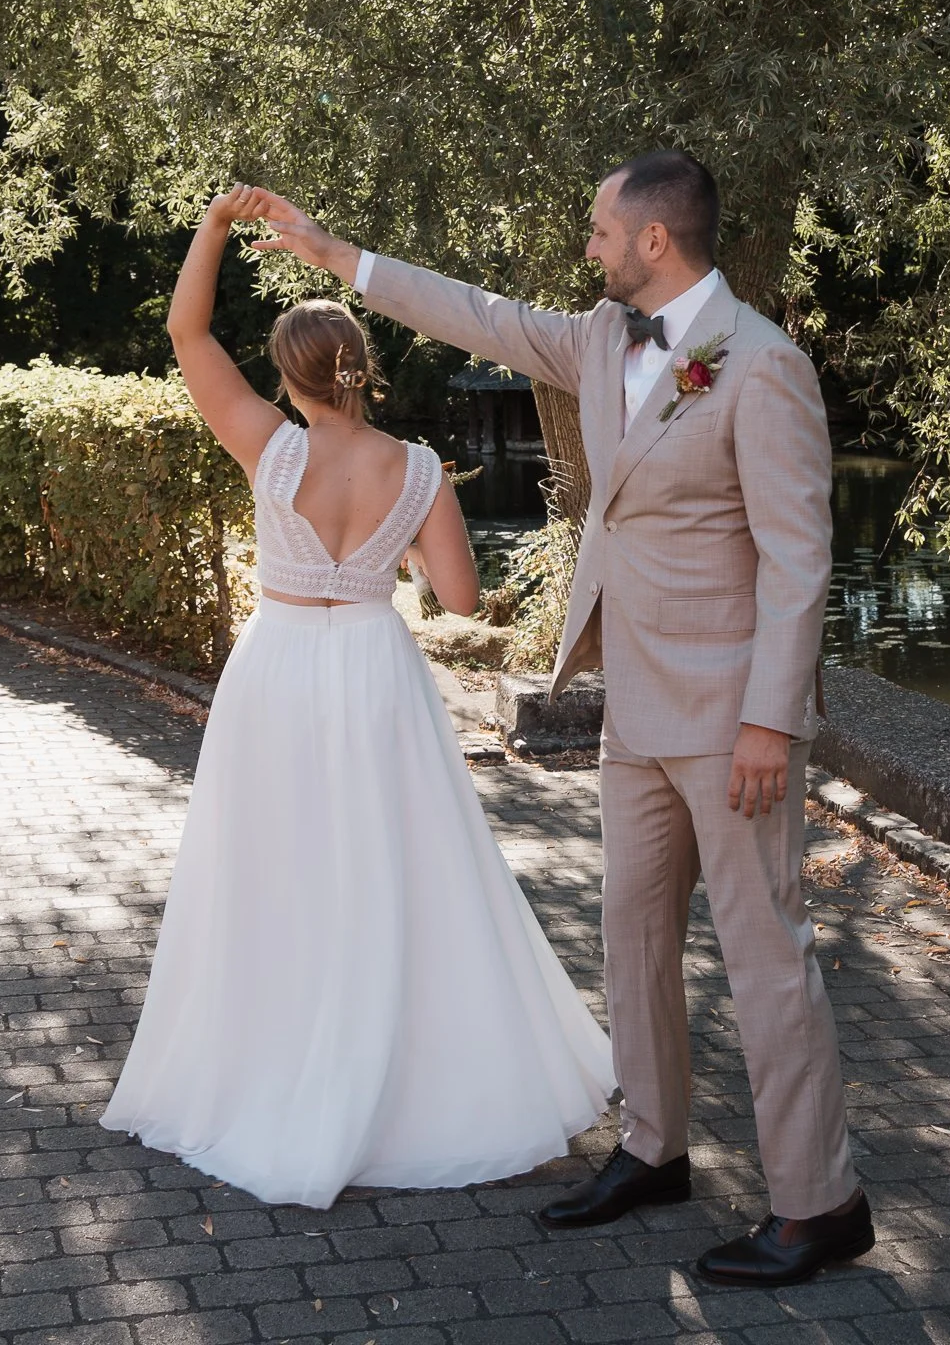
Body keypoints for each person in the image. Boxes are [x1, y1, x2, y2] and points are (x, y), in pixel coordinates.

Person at [240, 152, 874, 1286]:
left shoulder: (762, 366)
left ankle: (817, 1202)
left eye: (598, 230)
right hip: (631, 702)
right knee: (630, 934)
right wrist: (336, 255)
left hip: (734, 721)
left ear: (655, 243)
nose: (587, 246)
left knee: (763, 952)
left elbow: (796, 559)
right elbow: (475, 314)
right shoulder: (597, 339)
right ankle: (652, 1148)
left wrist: (772, 721)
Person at [99, 184, 615, 1209]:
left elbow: (185, 327)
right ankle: (403, 1068)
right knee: (391, 863)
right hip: (376, 664)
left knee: (274, 864)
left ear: (289, 378)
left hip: (279, 664)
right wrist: (404, 542)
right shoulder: (419, 467)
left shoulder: (266, 442)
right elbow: (460, 598)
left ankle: (276, 1059)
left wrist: (213, 225)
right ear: (361, 370)